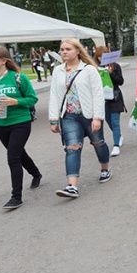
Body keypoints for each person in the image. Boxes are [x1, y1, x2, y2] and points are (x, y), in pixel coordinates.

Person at [0, 46, 42, 210]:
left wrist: (16, 102)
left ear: (4, 60)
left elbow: (32, 99)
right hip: (1, 124)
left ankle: (16, 197)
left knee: (12, 157)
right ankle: (36, 174)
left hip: (20, 122)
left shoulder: (19, 77)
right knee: (19, 153)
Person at [48, 38, 112, 199]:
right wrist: (53, 119)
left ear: (78, 51)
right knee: (72, 147)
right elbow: (54, 95)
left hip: (89, 114)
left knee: (98, 142)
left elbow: (98, 94)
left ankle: (105, 168)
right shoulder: (58, 71)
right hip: (69, 116)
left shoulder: (89, 70)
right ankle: (72, 186)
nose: (63, 52)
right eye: (62, 49)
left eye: (67, 49)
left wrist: (97, 117)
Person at [94, 44, 125, 157]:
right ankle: (119, 135)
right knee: (109, 121)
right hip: (102, 100)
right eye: (99, 57)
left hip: (115, 97)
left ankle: (116, 145)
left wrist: (111, 73)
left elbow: (120, 81)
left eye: (103, 56)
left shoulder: (115, 66)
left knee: (115, 122)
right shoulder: (94, 68)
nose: (101, 59)